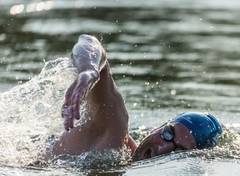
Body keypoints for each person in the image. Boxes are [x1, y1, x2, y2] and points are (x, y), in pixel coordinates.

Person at [50, 34, 222, 161]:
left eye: (178, 151)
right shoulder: (114, 131)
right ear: (158, 127)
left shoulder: (123, 160)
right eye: (168, 133)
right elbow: (88, 42)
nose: (162, 147)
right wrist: (89, 71)